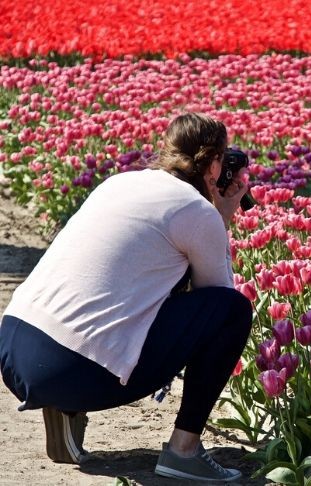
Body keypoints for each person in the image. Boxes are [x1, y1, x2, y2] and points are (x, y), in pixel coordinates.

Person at [0, 112, 253, 482]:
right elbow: (215, 298)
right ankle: (183, 451)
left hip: (14, 342)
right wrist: (220, 217)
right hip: (70, 366)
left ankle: (61, 404)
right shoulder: (198, 211)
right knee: (232, 311)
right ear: (214, 164)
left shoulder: (120, 182)